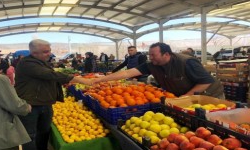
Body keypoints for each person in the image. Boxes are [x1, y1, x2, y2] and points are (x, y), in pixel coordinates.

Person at [14, 39, 90, 150]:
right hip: (30, 105)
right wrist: (79, 79)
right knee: (29, 135)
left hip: (45, 103)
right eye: (45, 51)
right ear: (33, 52)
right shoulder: (26, 63)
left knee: (44, 131)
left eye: (49, 50)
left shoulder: (42, 62)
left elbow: (51, 75)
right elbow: (50, 75)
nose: (49, 53)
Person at [91, 42, 224, 99]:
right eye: (150, 55)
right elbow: (127, 72)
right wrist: (99, 79)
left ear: (166, 54)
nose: (150, 57)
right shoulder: (152, 64)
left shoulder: (187, 62)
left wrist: (185, 97)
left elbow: (205, 81)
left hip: (209, 96)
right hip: (182, 97)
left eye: (153, 55)